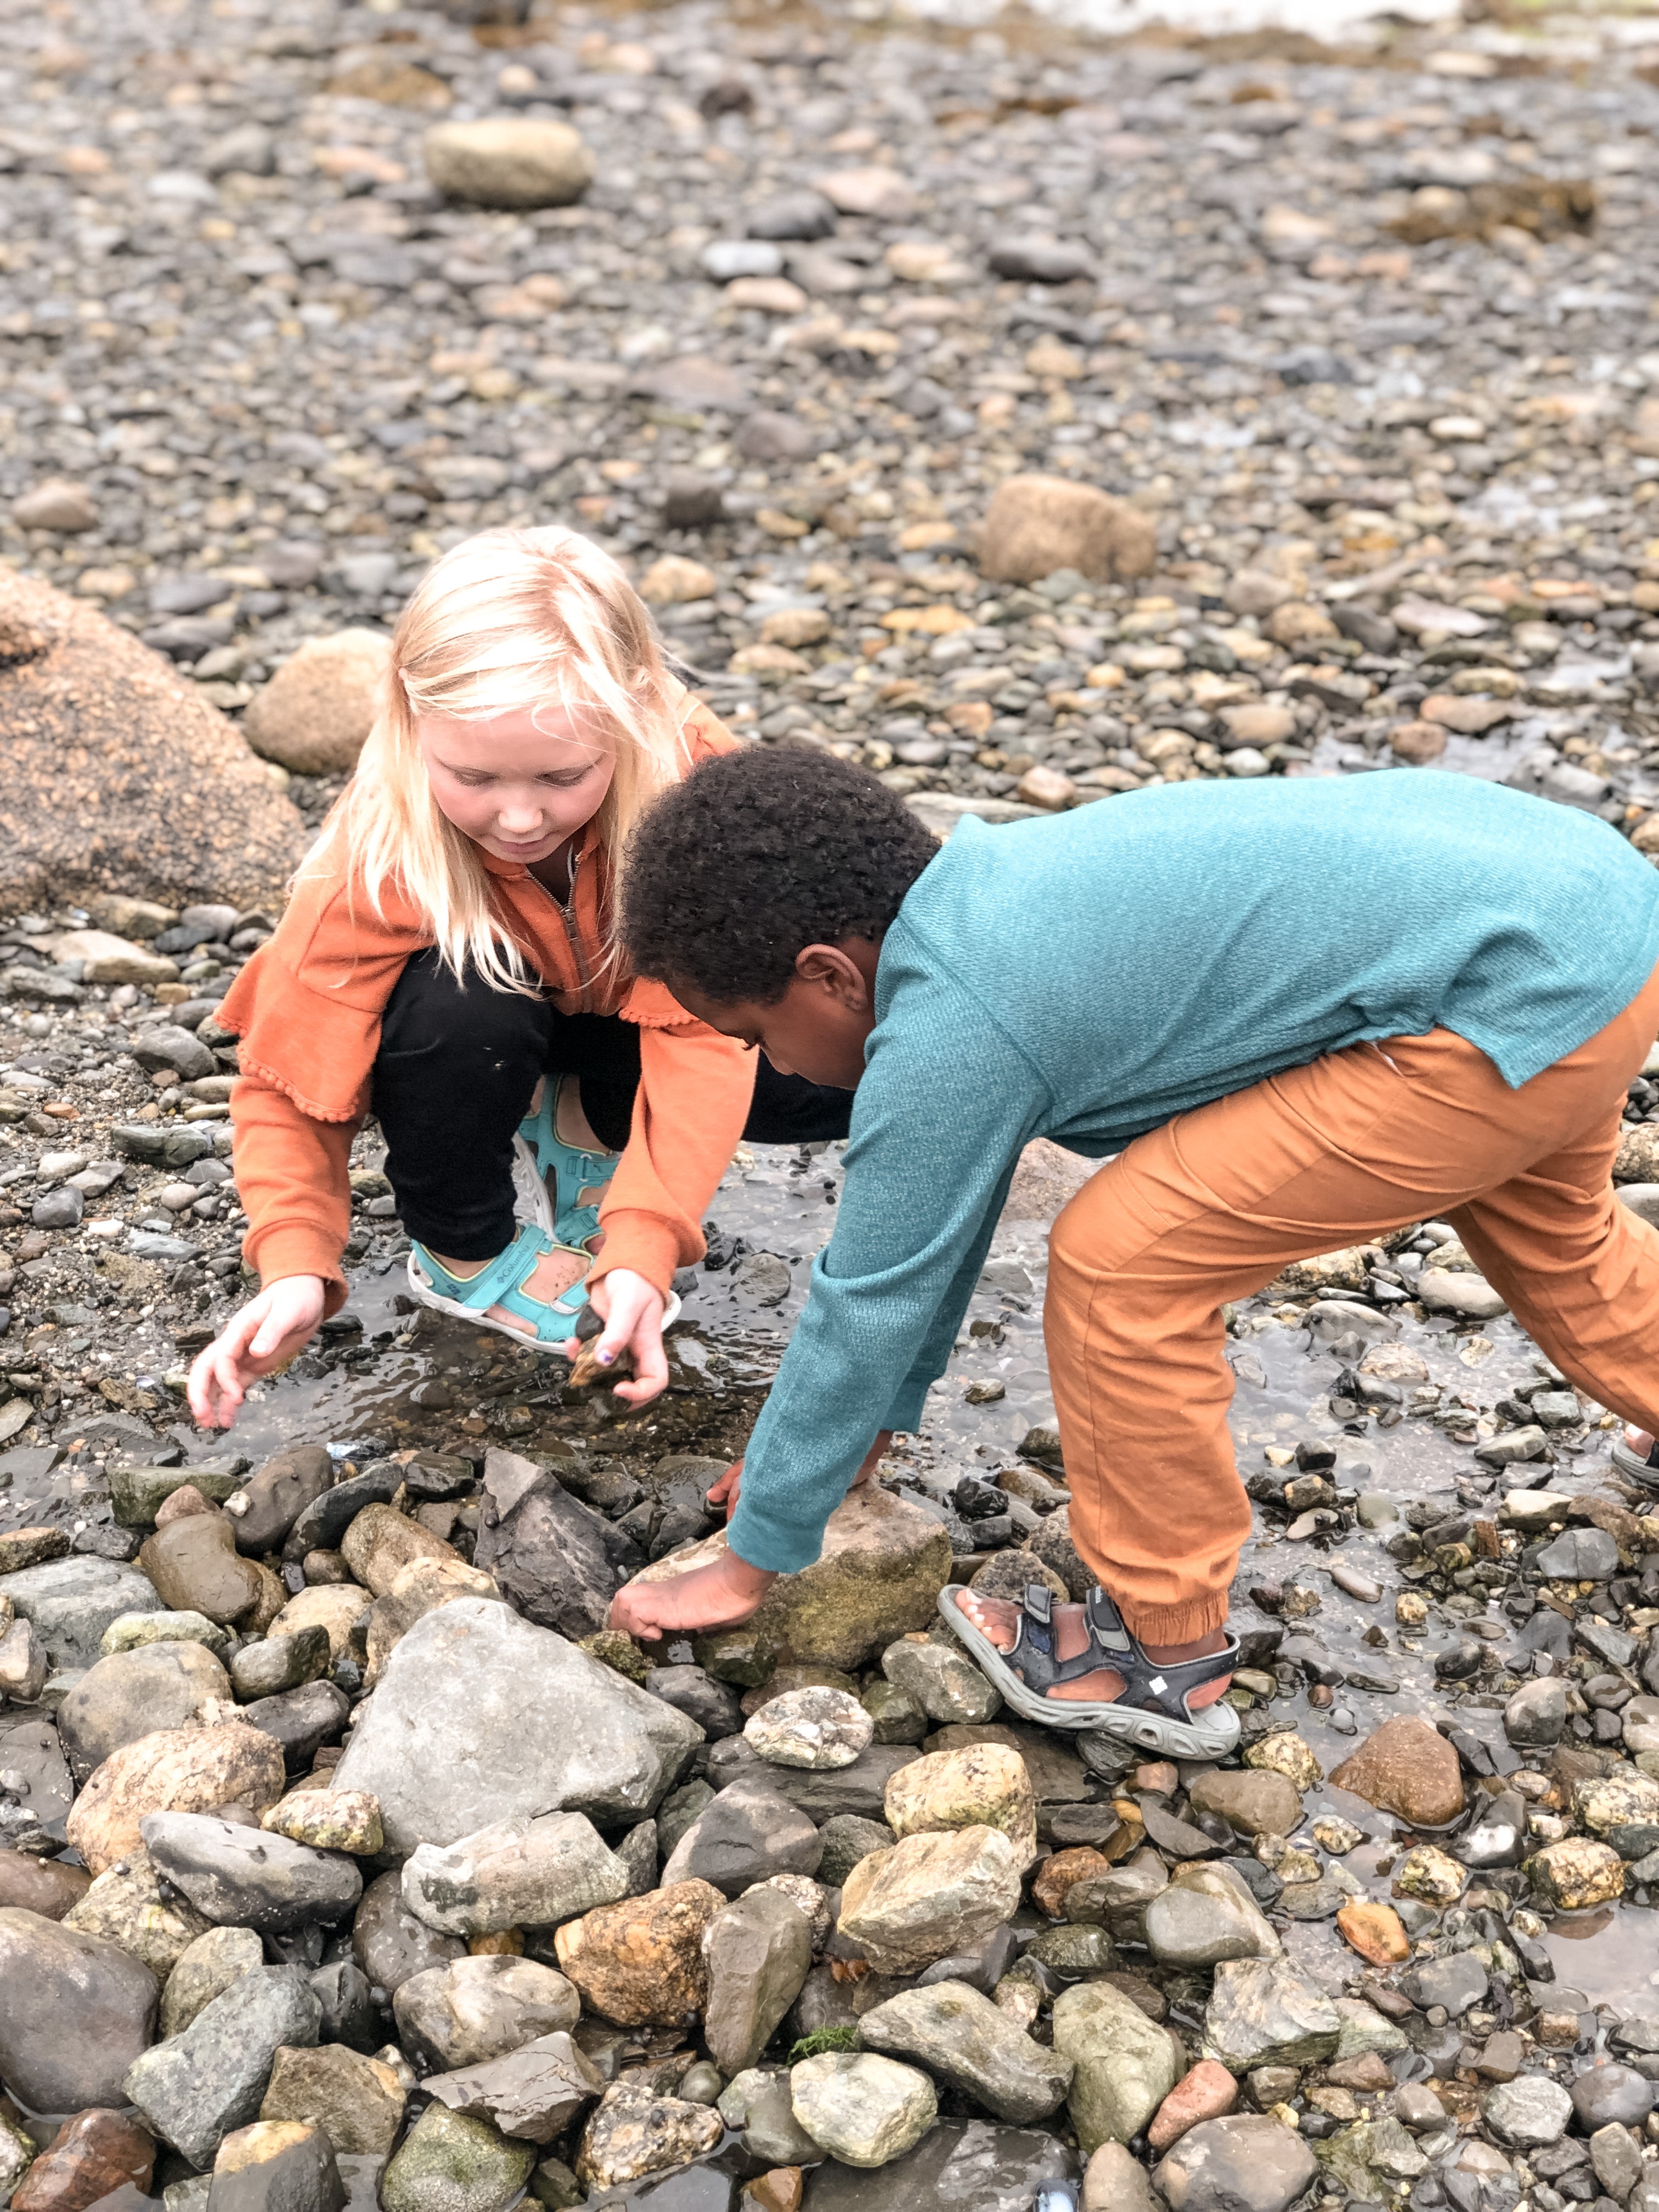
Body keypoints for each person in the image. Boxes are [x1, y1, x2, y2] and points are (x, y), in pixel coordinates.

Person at [608, 744, 1659, 1758]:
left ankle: (1163, 1652)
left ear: (830, 976)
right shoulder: (988, 889)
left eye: (751, 1034)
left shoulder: (952, 1027)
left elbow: (871, 1293)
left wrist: (748, 1564)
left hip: (1506, 999)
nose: (767, 1063)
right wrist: (841, 1452)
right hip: (1588, 921)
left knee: (1125, 1261)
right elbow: (931, 1242)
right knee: (1565, 1250)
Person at [187, 528, 850, 1430]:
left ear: (634, 714)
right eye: (473, 777)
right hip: (473, 1027)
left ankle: (586, 1125)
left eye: (564, 775)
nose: (521, 815)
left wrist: (644, 1247)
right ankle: (464, 1251)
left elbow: (702, 1035)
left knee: (832, 1072)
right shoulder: (380, 845)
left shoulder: (689, 785)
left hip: (623, 1014)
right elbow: (291, 1073)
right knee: (463, 1009)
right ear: (413, 724)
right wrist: (297, 1261)